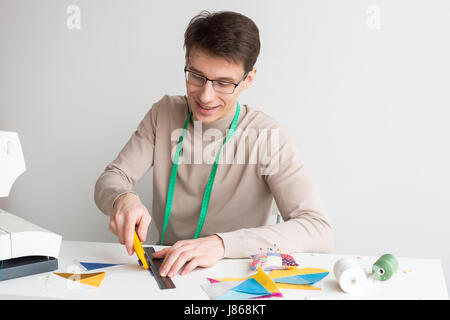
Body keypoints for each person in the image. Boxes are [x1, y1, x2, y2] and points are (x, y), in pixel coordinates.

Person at [94, 10, 333, 278]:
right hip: (168, 270)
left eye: (223, 83)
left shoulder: (267, 135)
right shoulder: (163, 114)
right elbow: (111, 178)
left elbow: (318, 228)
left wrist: (222, 244)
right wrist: (122, 199)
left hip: (233, 276)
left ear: (249, 79)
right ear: (186, 61)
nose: (206, 97)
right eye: (196, 76)